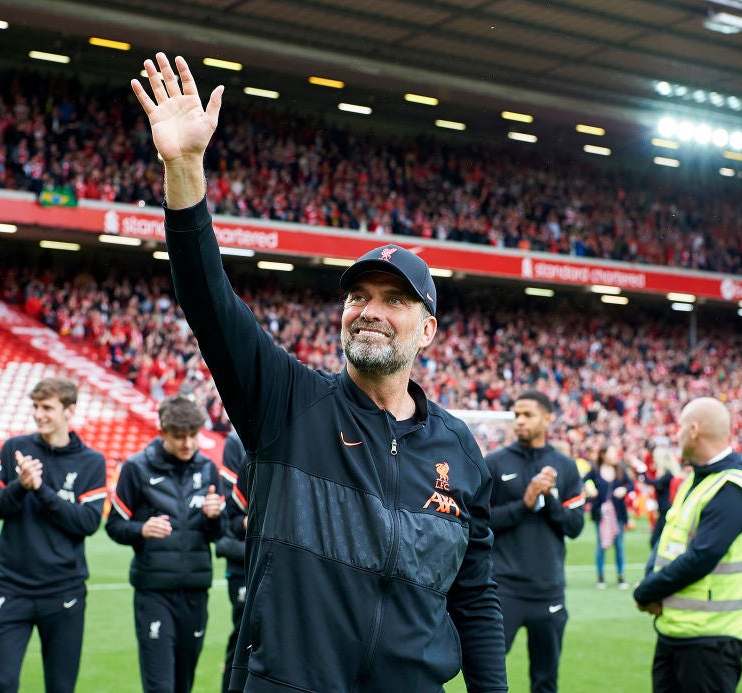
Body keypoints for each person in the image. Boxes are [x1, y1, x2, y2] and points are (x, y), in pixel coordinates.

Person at [131, 53, 507, 692]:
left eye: (394, 300)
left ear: (428, 329)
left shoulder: (460, 449)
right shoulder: (288, 403)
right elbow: (208, 300)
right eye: (359, 296)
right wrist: (185, 168)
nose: (370, 312)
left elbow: (474, 596)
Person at [633, 397, 742, 693]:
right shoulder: (694, 481)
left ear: (694, 429)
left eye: (680, 427)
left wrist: (647, 591)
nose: (676, 435)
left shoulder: (732, 487)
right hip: (676, 628)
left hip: (712, 638)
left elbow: (702, 556)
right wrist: (651, 582)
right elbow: (664, 541)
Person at [0, 377, 108, 693]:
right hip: (11, 588)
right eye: (36, 407)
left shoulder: (91, 462)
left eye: (48, 408)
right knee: (2, 684)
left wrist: (40, 490)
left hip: (64, 591)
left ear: (70, 411)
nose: (39, 414)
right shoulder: (16, 448)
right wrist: (20, 486)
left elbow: (87, 523)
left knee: (60, 687)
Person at [106, 394, 224, 693]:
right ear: (162, 433)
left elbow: (216, 535)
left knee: (184, 683)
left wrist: (213, 518)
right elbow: (115, 526)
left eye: (193, 436)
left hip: (196, 591)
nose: (187, 443)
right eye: (179, 437)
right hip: (154, 593)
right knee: (160, 686)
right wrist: (141, 529)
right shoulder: (136, 468)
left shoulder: (208, 469)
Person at [485, 390, 585, 693]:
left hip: (548, 591)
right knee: (487, 678)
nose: (520, 421)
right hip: (503, 589)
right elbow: (480, 524)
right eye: (516, 415)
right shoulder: (495, 462)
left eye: (528, 415)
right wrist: (524, 503)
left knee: (545, 680)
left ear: (548, 418)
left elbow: (575, 527)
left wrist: (549, 500)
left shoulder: (565, 466)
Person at [215, 429, 248, 693]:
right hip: (242, 561)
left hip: (280, 560)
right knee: (242, 639)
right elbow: (231, 516)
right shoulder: (237, 442)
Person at [584, 443, 634, 589]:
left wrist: (623, 490)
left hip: (617, 513)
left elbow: (630, 485)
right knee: (601, 545)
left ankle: (621, 576)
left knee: (619, 545)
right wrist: (590, 488)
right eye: (612, 453)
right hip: (601, 514)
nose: (615, 456)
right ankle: (600, 576)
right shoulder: (595, 470)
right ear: (603, 455)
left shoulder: (620, 470)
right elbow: (583, 481)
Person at [648, 446, 685, 549]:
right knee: (658, 540)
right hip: (664, 510)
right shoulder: (667, 475)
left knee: (660, 540)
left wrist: (642, 473)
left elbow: (655, 483)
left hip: (668, 511)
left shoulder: (669, 476)